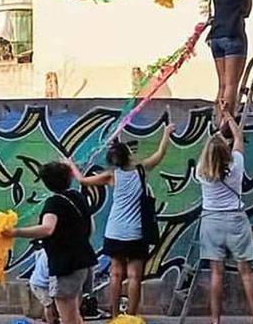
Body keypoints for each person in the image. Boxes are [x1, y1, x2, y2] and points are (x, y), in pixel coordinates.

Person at [64, 123, 176, 317]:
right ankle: (131, 317)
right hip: (137, 233)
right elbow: (160, 153)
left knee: (115, 275)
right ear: (129, 156)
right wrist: (166, 133)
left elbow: (82, 180)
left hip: (115, 232)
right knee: (135, 277)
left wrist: (70, 164)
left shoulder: (111, 175)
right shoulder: (141, 170)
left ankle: (115, 316)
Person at [5, 162, 97, 324]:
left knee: (68, 318)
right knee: (75, 314)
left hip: (66, 265)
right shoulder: (78, 196)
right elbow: (91, 226)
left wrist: (15, 232)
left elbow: (47, 229)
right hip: (84, 261)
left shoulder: (54, 203)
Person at [196, 112, 253, 324]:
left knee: (216, 274)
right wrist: (229, 117)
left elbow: (212, 148)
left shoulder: (201, 171)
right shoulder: (236, 165)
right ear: (227, 151)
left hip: (211, 222)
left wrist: (217, 131)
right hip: (236, 221)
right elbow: (239, 137)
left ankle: (216, 320)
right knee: (246, 273)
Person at [205, 0, 253, 120]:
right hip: (233, 34)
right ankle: (226, 121)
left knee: (222, 84)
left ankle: (218, 118)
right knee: (231, 84)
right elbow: (246, 12)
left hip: (215, 36)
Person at [30, 245, 59, 324]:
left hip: (41, 282)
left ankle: (52, 319)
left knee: (51, 302)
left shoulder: (46, 251)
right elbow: (52, 274)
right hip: (39, 284)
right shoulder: (52, 256)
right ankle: (50, 322)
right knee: (48, 304)